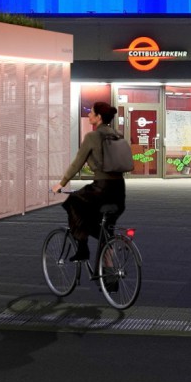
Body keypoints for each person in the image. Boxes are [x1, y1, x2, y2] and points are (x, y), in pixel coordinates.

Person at [55, 102, 127, 262]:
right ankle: (111, 279)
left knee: (72, 201)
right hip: (119, 191)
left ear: (98, 117)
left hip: (102, 189)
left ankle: (82, 248)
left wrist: (62, 183)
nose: (88, 115)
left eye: (91, 112)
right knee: (106, 231)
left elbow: (77, 163)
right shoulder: (117, 135)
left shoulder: (92, 137)